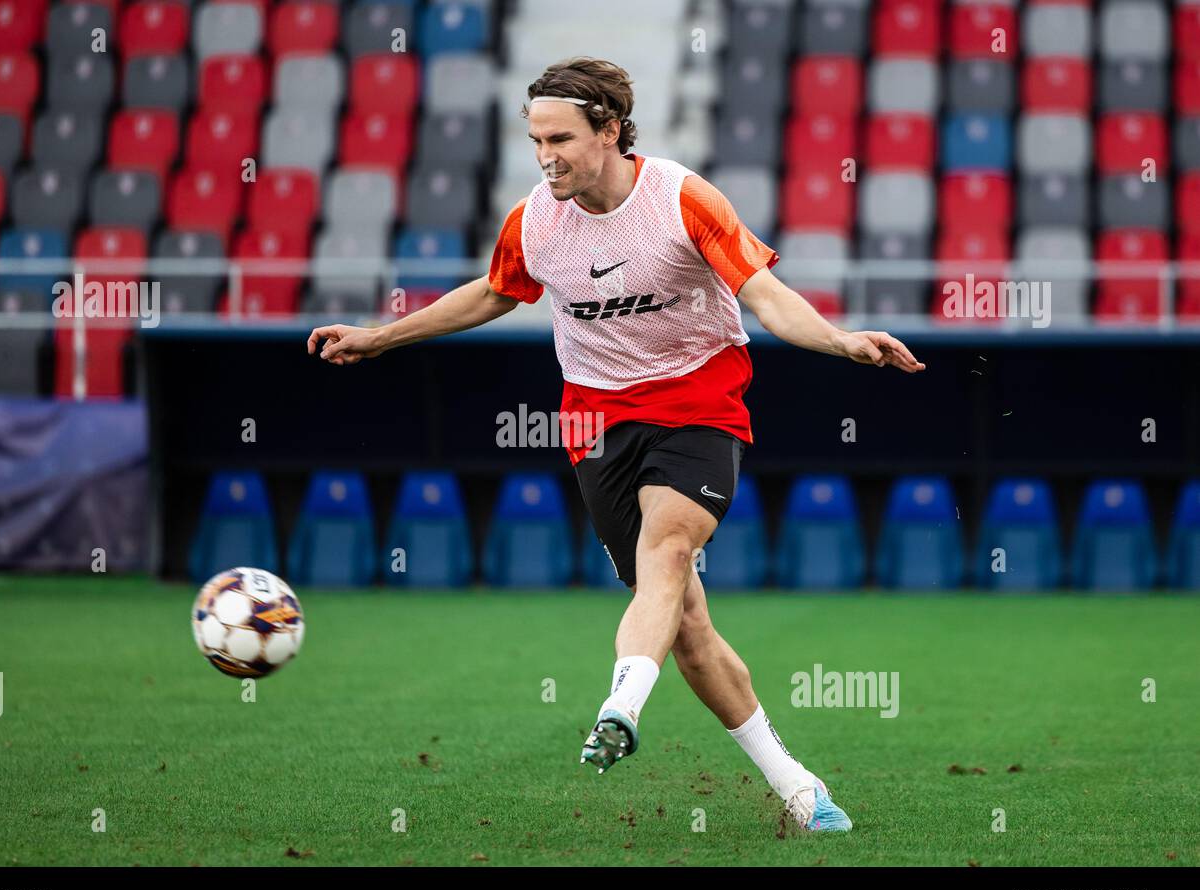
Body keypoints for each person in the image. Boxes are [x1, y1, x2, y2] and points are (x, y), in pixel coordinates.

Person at [308, 57, 924, 832]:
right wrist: (380, 338)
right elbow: (496, 290)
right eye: (535, 140)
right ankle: (801, 789)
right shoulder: (536, 218)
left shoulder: (682, 199)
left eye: (559, 138)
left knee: (667, 556)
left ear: (609, 130)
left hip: (699, 402)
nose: (545, 156)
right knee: (687, 625)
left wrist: (840, 342)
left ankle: (619, 707)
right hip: (593, 424)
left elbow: (764, 295)